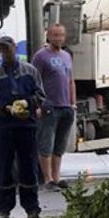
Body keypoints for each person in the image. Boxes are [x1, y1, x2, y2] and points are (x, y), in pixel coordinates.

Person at [0, 36, 46, 218]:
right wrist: (6, 108)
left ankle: (32, 209)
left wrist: (27, 103)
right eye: (1, 50)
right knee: (3, 168)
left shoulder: (30, 71)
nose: (5, 53)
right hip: (4, 126)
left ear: (14, 48)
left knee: (28, 167)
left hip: (26, 126)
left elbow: (41, 95)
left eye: (7, 49)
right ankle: (4, 209)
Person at [32, 24, 76, 191]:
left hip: (66, 106)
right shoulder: (41, 57)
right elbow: (34, 81)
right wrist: (37, 105)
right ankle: (48, 179)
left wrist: (73, 103)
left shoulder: (66, 56)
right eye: (55, 35)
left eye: (61, 35)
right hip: (49, 107)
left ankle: (57, 177)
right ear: (48, 36)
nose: (58, 38)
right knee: (46, 145)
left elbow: (71, 80)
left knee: (60, 145)